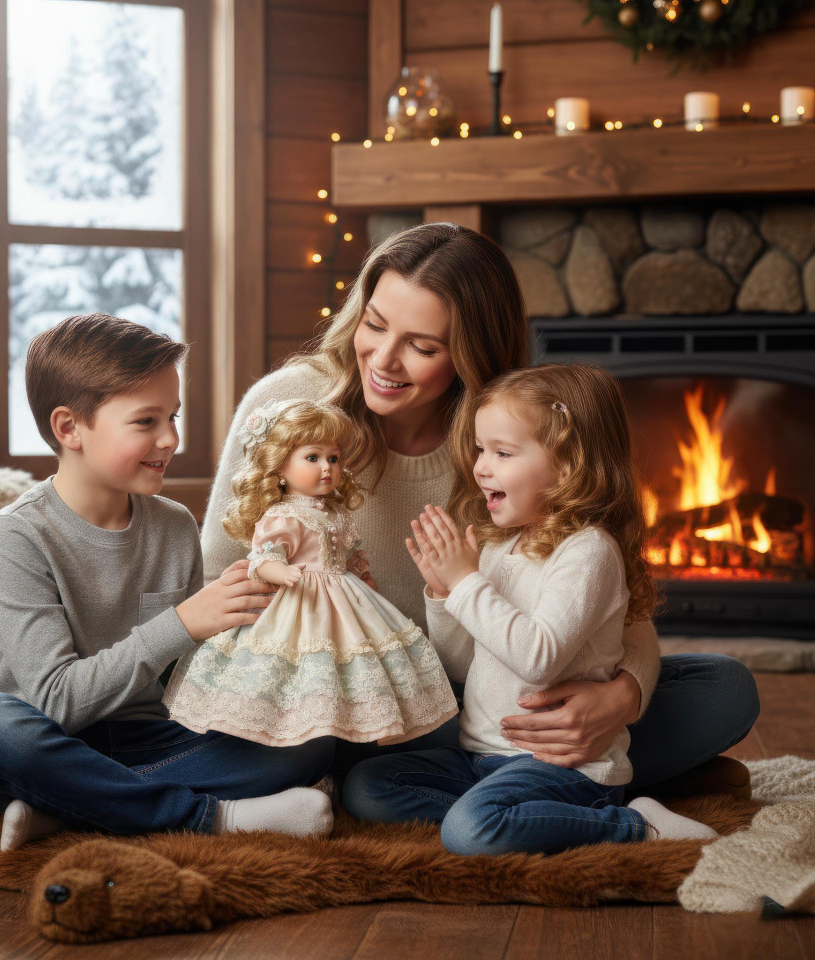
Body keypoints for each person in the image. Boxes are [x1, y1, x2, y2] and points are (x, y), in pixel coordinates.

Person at [203, 222, 758, 792]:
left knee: (725, 688)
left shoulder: (513, 435)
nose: (384, 360)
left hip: (481, 694)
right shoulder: (289, 405)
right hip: (333, 690)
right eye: (375, 324)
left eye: (423, 347)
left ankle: (517, 783)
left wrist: (622, 698)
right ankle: (563, 787)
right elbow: (214, 577)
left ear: (470, 355)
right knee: (338, 746)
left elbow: (613, 606)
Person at [0, 313, 335, 851]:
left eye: (172, 416)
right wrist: (183, 622)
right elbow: (56, 700)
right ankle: (212, 817)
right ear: (69, 428)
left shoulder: (174, 526)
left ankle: (73, 807)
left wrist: (246, 627)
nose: (170, 438)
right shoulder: (16, 537)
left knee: (314, 737)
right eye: (146, 421)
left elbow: (183, 684)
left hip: (146, 739)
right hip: (42, 740)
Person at [341, 363, 719, 854]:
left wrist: (467, 584)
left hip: (564, 767)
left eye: (502, 453)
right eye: (480, 449)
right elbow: (460, 667)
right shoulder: (499, 547)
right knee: (367, 787)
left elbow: (538, 658)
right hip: (481, 757)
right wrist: (443, 596)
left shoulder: (588, 552)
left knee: (470, 831)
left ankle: (632, 824)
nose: (481, 467)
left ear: (569, 465)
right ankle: (517, 818)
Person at [164, 399, 457, 745]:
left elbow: (350, 555)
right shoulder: (284, 515)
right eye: (313, 458)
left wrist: (362, 576)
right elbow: (264, 556)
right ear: (280, 466)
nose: (327, 468)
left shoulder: (337, 514)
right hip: (297, 602)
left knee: (350, 664)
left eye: (333, 458)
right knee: (298, 666)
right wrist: (281, 572)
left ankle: (344, 731)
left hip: (346, 598)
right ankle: (296, 734)